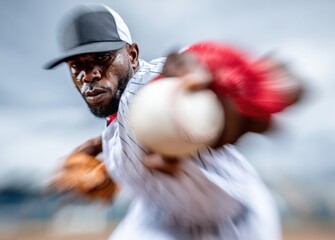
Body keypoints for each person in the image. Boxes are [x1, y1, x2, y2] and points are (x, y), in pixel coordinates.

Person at [46, 4, 301, 240]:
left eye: (102, 58)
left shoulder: (152, 86)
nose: (89, 75)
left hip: (236, 222)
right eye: (76, 65)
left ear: (133, 55)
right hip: (161, 219)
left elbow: (188, 65)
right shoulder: (116, 121)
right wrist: (113, 165)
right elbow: (124, 125)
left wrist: (220, 72)